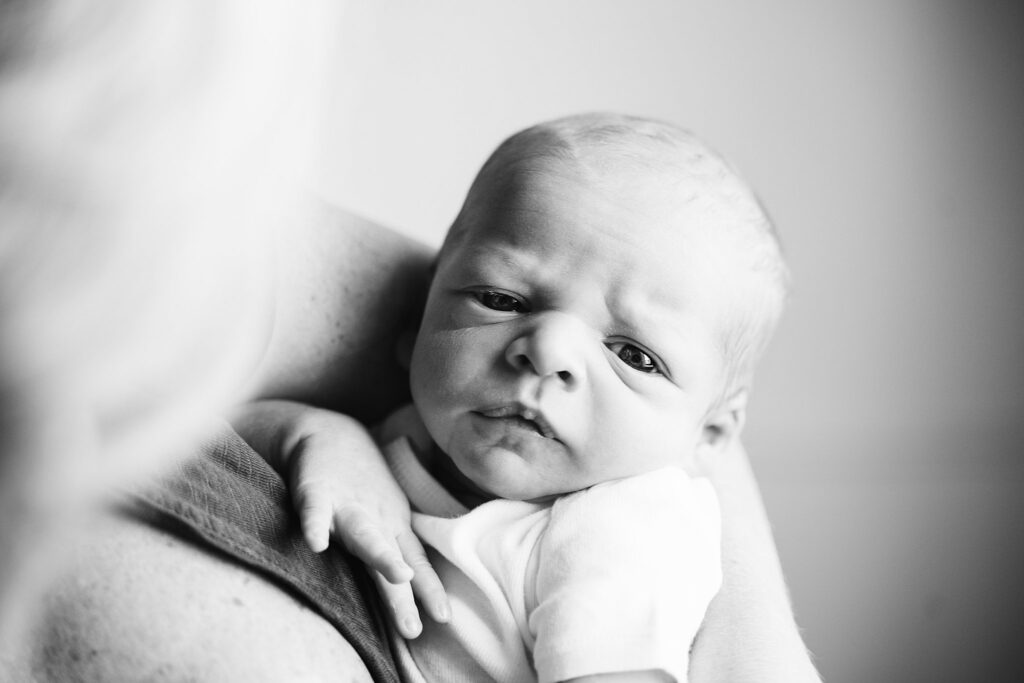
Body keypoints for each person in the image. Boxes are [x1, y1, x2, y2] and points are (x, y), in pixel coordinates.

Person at [233, 113, 797, 682]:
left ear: (711, 436)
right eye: (501, 299)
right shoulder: (409, 434)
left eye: (634, 356)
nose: (548, 349)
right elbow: (209, 436)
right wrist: (311, 433)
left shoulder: (624, 530)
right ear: (421, 313)